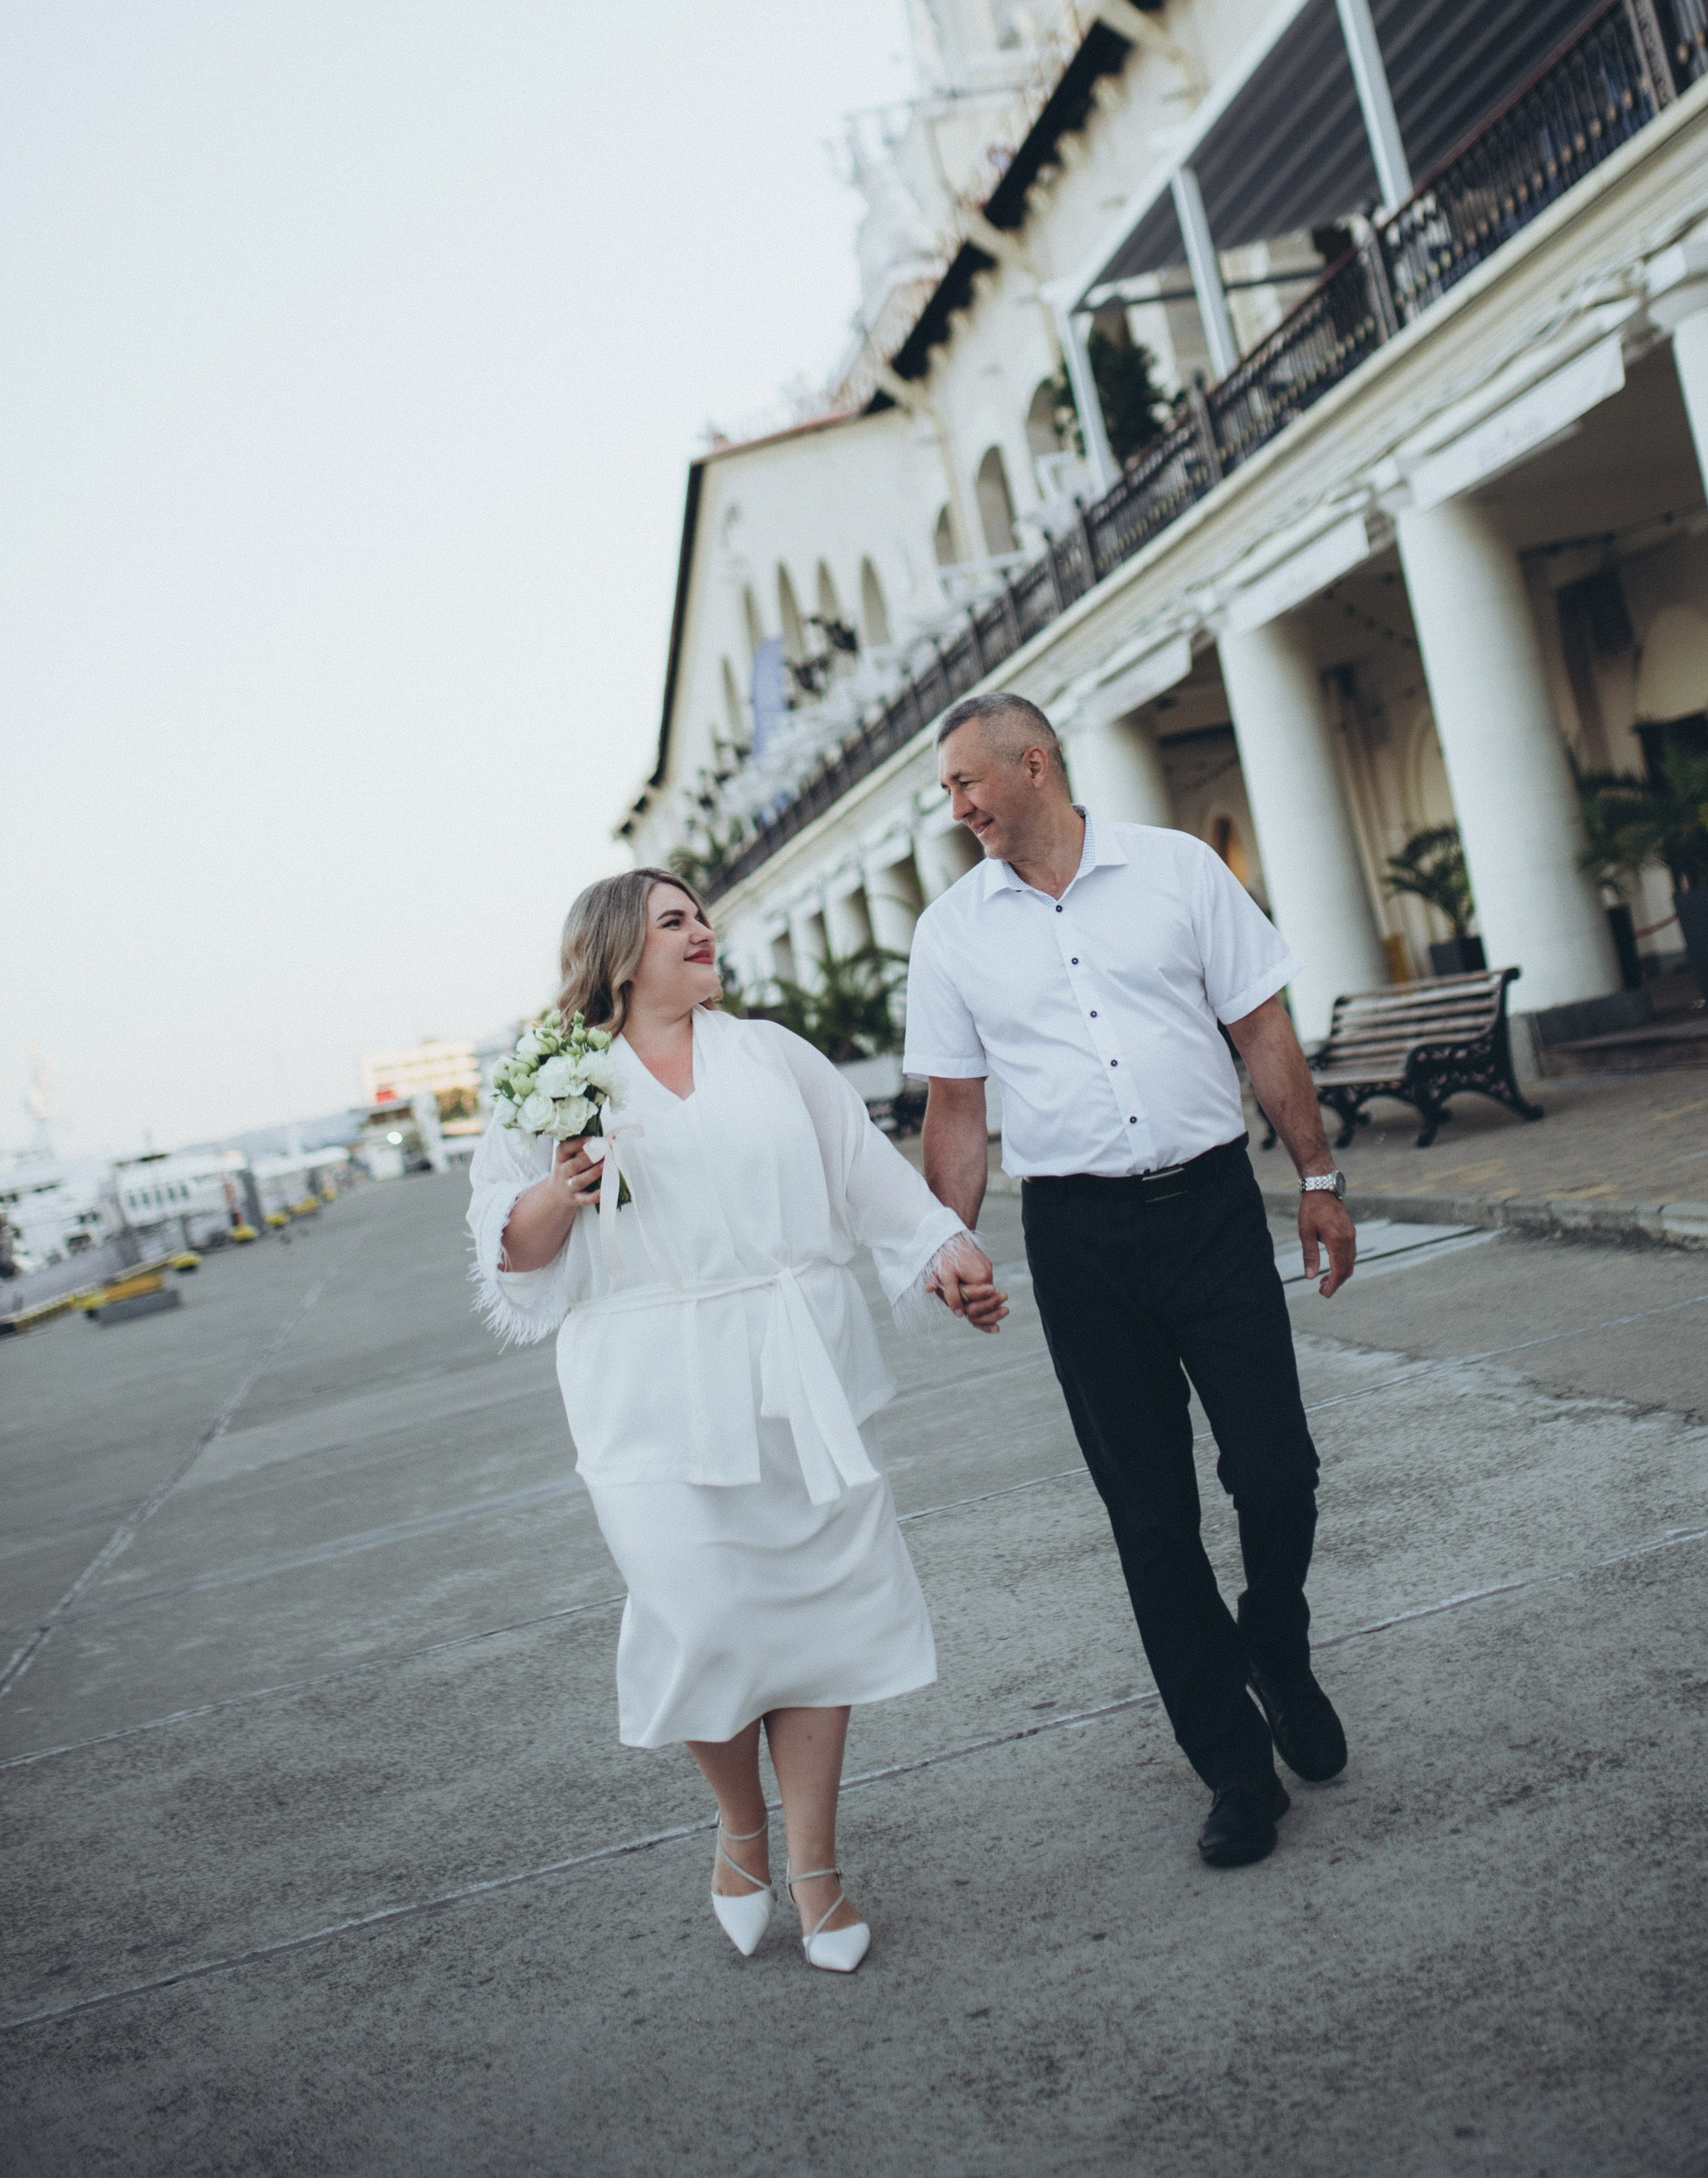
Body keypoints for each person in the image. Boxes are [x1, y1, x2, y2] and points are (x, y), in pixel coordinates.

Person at [468, 868, 1006, 1971]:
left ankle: (816, 1866)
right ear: (620, 953)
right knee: (699, 1615)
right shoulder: (557, 1080)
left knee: (816, 1620)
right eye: (676, 922)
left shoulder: (772, 1056)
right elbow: (508, 1247)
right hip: (645, 1387)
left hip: (790, 1367)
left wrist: (944, 1252)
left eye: (702, 916)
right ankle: (740, 1824)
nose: (703, 932)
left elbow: (866, 1178)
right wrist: (561, 1186)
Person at [903, 693, 1356, 1870]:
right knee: (1150, 1519)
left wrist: (1318, 1174)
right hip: (1079, 1240)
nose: (955, 811)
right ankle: (1235, 1768)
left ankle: (1277, 1644)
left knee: (1277, 1472)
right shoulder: (952, 932)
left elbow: (1263, 1030)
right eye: (948, 794)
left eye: (965, 786)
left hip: (1209, 1207)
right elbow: (956, 1112)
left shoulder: (1179, 871)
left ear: (1034, 765)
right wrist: (947, 1241)